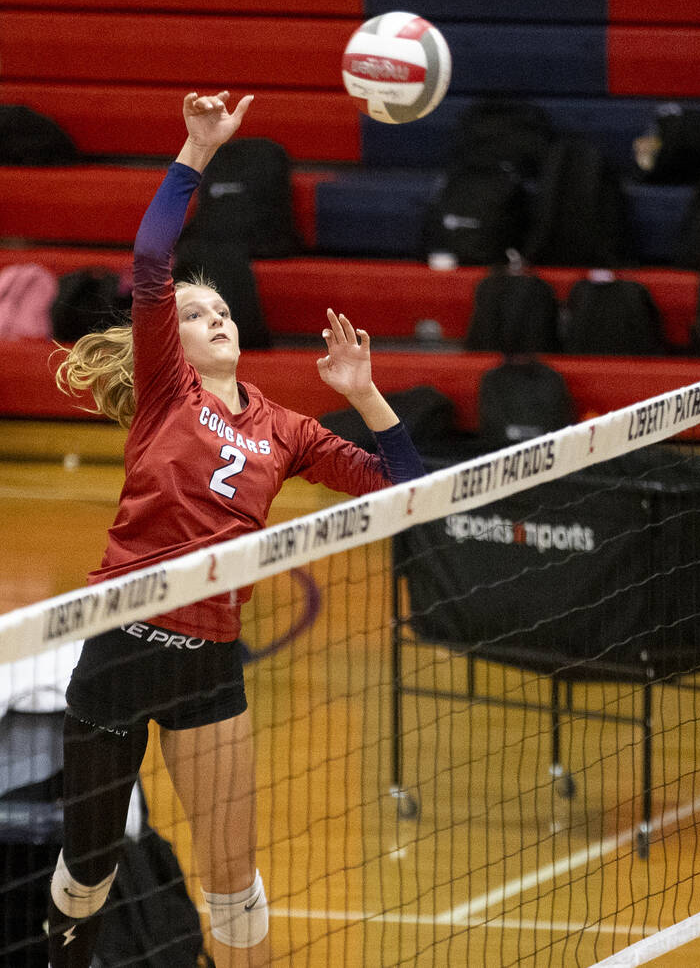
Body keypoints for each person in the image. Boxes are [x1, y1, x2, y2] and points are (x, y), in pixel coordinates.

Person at [47, 90, 425, 968]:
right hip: (124, 638)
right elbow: (149, 257)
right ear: (169, 343)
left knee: (234, 876)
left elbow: (406, 493)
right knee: (91, 869)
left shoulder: (285, 426)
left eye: (222, 311)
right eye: (195, 315)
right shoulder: (166, 393)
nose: (217, 318)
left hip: (210, 659)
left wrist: (365, 394)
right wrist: (196, 148)